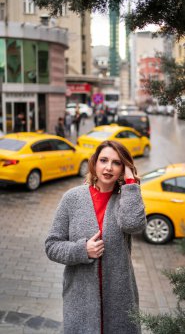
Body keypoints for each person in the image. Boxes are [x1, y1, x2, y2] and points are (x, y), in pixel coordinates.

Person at [45, 140, 146, 334]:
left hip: (119, 298)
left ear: (124, 168)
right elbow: (51, 246)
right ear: (94, 163)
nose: (108, 168)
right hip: (80, 298)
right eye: (103, 160)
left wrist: (131, 184)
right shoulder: (72, 198)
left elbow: (134, 225)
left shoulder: (126, 199)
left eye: (117, 163)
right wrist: (82, 250)